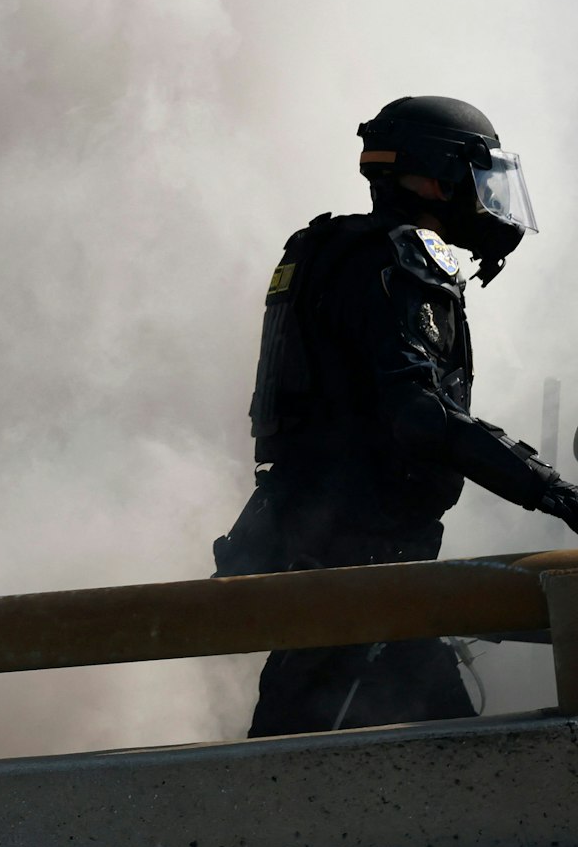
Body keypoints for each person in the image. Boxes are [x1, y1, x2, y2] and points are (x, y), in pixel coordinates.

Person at [215, 96, 578, 736]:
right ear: (437, 177)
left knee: (427, 758)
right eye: (477, 175)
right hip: (366, 575)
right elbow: (423, 415)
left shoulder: (324, 248)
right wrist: (555, 492)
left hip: (324, 553)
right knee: (297, 768)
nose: (487, 198)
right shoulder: (403, 258)